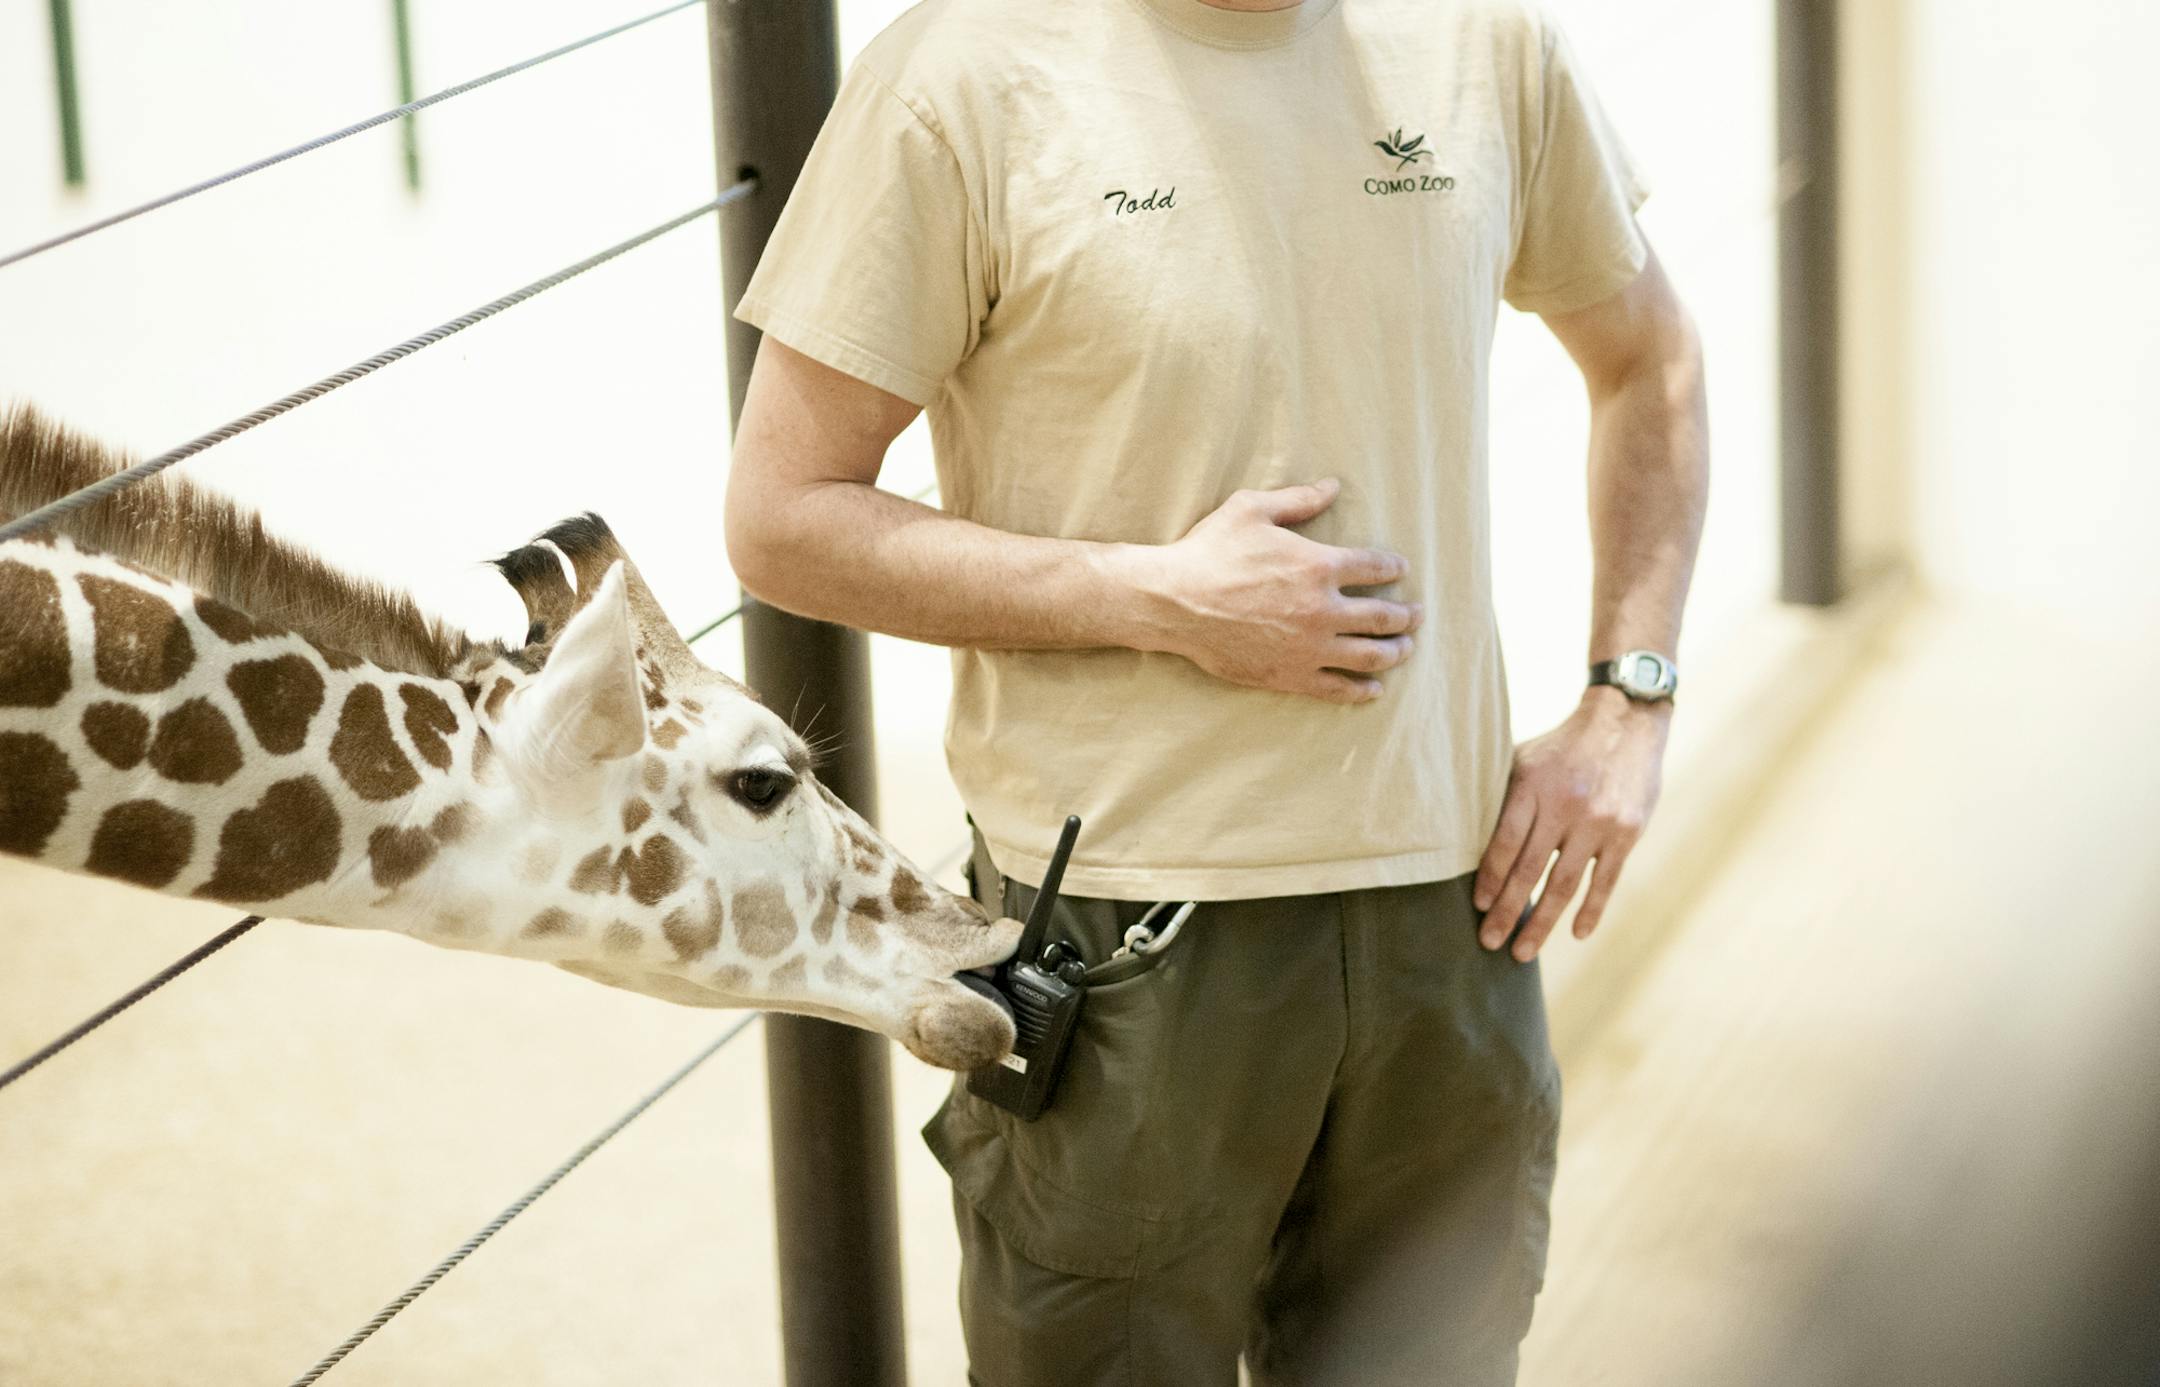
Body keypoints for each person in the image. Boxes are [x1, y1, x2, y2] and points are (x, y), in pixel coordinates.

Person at [724, 0, 1707, 1380]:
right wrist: (1149, 596)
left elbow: (1649, 363)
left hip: (1454, 915)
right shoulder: (955, 79)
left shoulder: (1486, 43)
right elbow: (782, 516)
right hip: (1126, 942)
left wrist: (1630, 697)